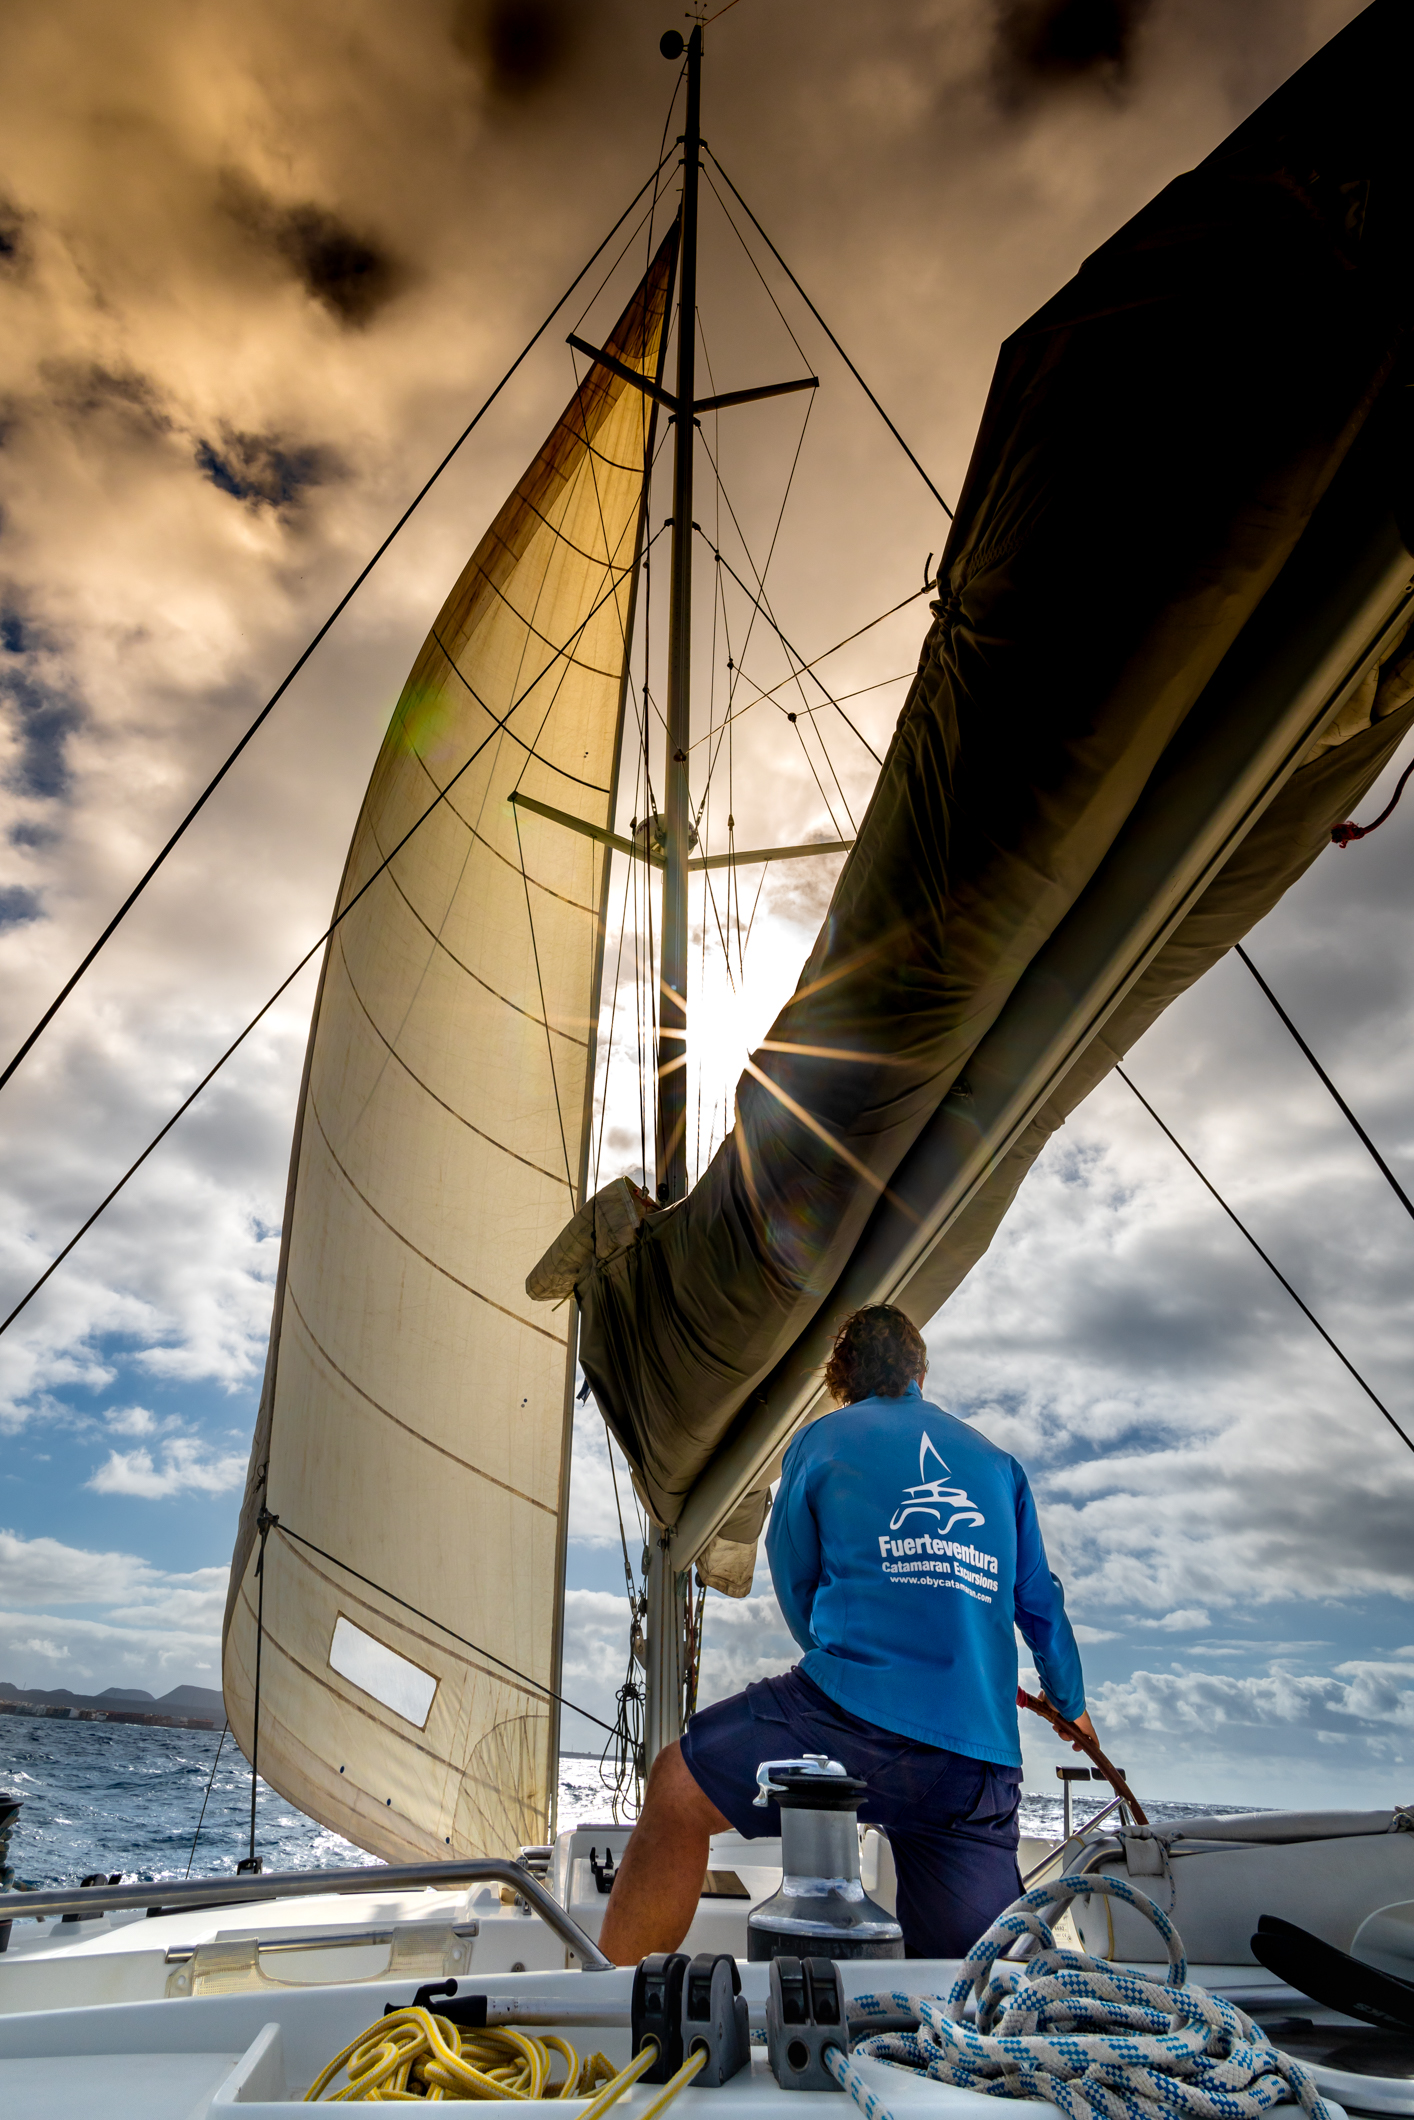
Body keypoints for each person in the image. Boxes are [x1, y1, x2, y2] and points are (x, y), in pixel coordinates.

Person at [598, 1302, 1096, 1964]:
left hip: (848, 1730)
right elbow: (1041, 1606)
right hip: (975, 1770)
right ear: (920, 1370)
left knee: (678, 1788)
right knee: (975, 1987)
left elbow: (796, 1582)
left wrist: (841, 1662)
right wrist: (1072, 1707)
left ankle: (608, 2021)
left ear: (841, 1376)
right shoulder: (999, 1466)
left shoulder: (821, 1441)